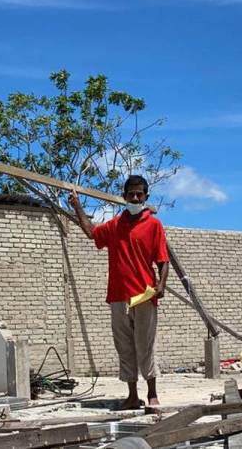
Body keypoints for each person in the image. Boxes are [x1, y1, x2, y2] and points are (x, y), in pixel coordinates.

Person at [69, 175, 170, 409]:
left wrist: (161, 286)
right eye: (131, 194)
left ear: (145, 197)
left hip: (144, 296)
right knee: (124, 346)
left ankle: (152, 394)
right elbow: (91, 232)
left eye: (140, 194)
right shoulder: (115, 225)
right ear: (124, 196)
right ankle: (132, 395)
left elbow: (163, 260)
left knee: (145, 345)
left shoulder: (154, 225)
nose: (135, 198)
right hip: (118, 297)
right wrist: (77, 207)